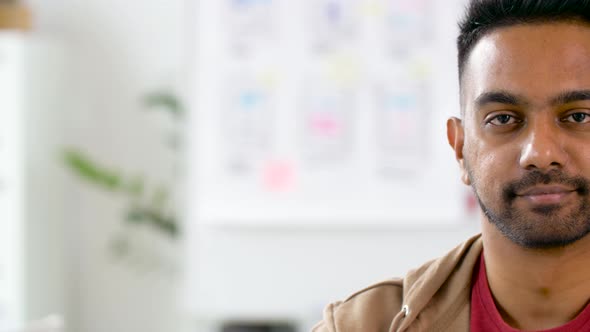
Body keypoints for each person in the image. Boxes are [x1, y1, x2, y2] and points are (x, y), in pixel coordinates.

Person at [312, 0, 590, 331]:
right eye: (502, 118)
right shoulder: (361, 325)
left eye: (579, 116)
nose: (540, 153)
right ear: (459, 147)